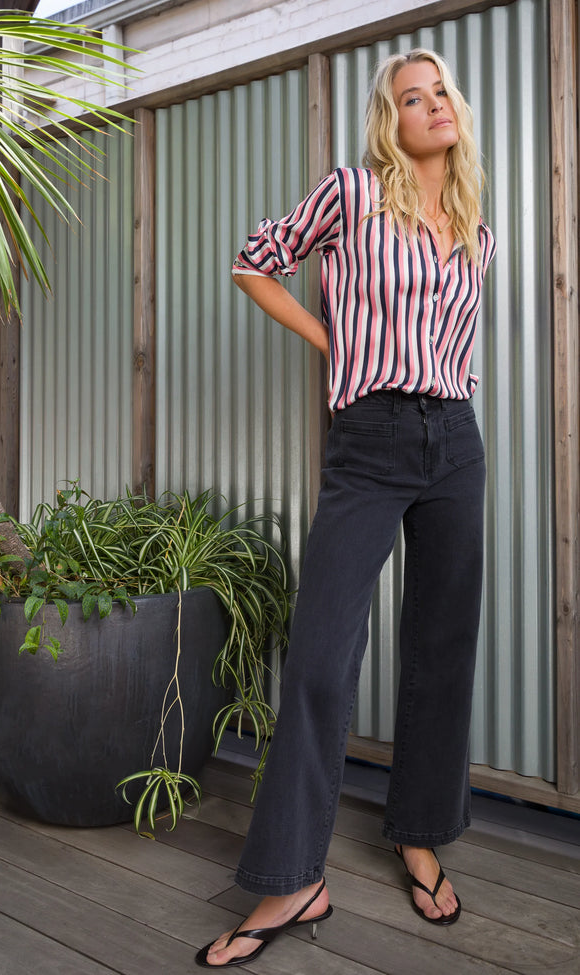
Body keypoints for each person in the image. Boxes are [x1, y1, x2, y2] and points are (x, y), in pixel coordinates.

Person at [195, 48, 496, 968]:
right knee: (324, 653)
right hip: (368, 441)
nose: (434, 105)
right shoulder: (353, 195)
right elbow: (255, 261)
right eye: (414, 97)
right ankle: (293, 876)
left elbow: (460, 343)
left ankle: (418, 831)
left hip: (454, 441)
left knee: (442, 646)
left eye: (442, 91)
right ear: (389, 120)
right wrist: (335, 341)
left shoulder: (479, 225)